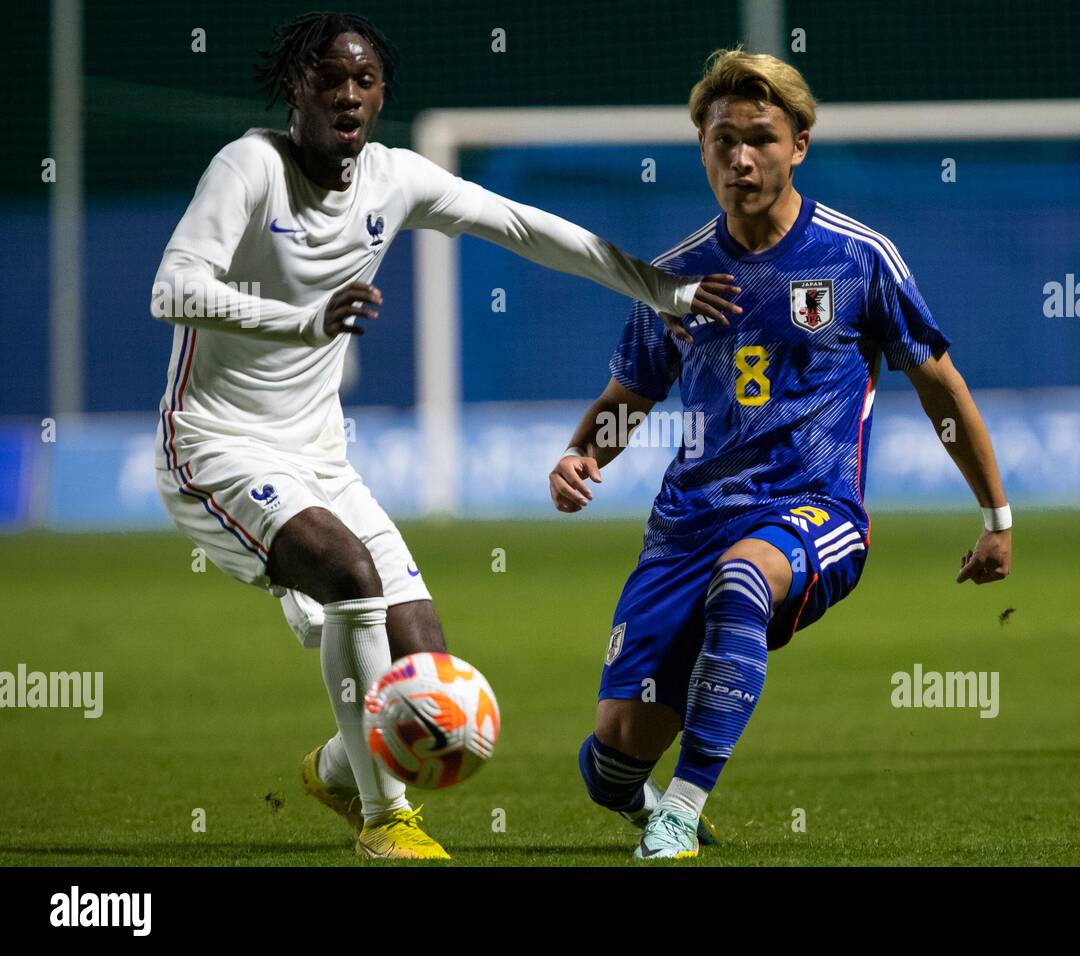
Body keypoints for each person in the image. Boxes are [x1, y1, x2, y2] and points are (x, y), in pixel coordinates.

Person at [151, 12, 738, 861]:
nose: (348, 96)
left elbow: (529, 229)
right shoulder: (250, 168)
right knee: (351, 575)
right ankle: (387, 821)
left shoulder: (393, 180)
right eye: (329, 79)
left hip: (318, 457)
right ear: (297, 90)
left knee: (425, 670)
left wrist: (662, 292)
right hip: (213, 444)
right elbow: (173, 288)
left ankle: (335, 769)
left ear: (382, 94)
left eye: (365, 81)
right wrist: (301, 319)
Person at [549, 48, 1012, 860]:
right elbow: (630, 398)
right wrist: (584, 456)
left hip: (813, 511)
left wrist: (996, 515)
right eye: (722, 139)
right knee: (612, 760)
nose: (741, 158)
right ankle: (641, 794)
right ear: (701, 147)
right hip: (686, 526)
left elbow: (942, 387)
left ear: (799, 143)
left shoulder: (857, 257)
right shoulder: (674, 277)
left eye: (761, 137)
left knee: (743, 582)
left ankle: (683, 810)